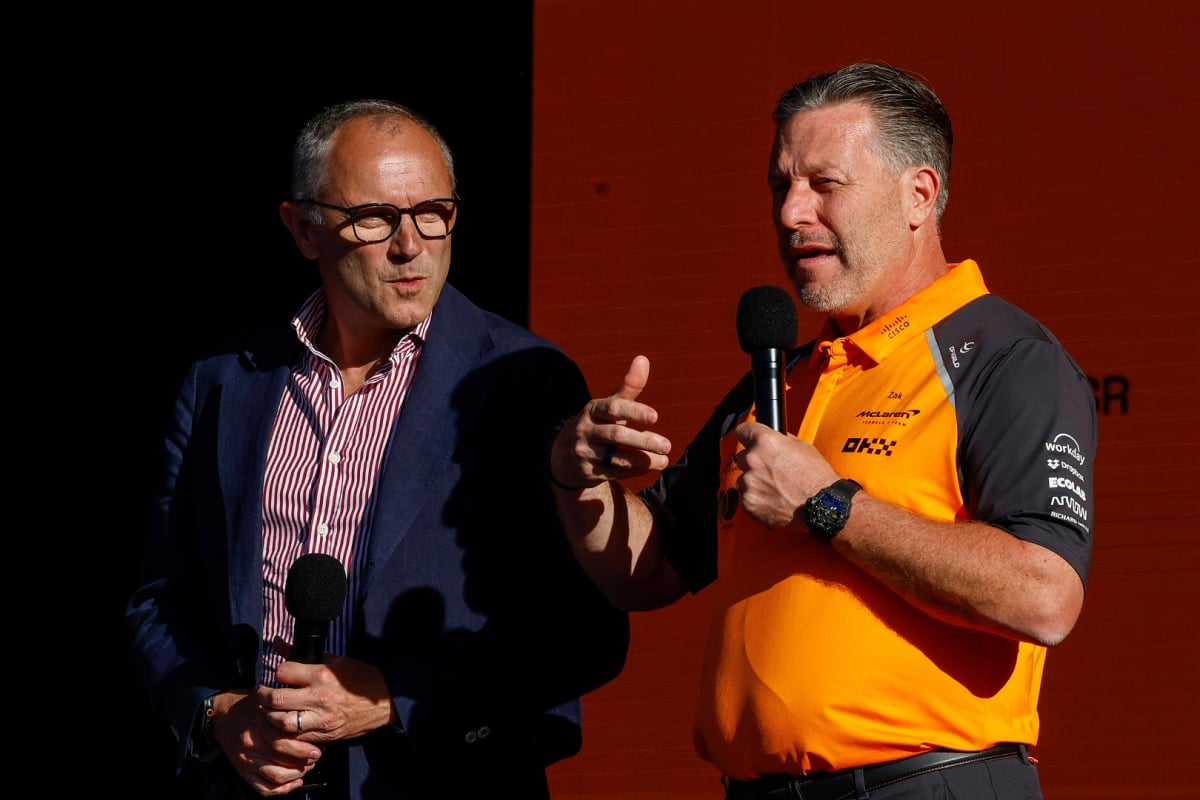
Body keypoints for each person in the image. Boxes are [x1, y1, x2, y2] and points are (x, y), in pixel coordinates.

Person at [547, 62, 1096, 799]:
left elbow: (1045, 596)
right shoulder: (784, 376)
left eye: (823, 184)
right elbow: (648, 571)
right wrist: (577, 478)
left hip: (926, 784)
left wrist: (829, 505)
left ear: (918, 194)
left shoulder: (1004, 356)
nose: (791, 212)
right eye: (780, 186)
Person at [126, 98, 629, 800]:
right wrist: (218, 710)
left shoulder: (524, 382)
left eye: (434, 212)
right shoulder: (223, 383)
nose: (410, 245)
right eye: (374, 218)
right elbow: (161, 600)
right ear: (303, 228)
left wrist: (394, 696)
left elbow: (584, 632)